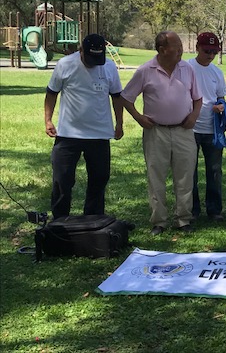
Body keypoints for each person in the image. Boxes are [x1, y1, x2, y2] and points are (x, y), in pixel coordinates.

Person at [121, 31, 202, 235]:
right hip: (156, 132)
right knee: (156, 177)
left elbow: (198, 98)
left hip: (183, 131)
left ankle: (183, 219)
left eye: (181, 45)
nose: (181, 50)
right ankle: (159, 221)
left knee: (185, 177)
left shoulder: (187, 69)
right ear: (162, 49)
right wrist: (139, 118)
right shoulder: (145, 71)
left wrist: (194, 116)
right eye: (177, 46)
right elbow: (126, 97)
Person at [44, 34, 124, 219]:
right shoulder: (65, 64)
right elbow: (51, 93)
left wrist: (119, 122)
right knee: (62, 180)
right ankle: (60, 220)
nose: (94, 63)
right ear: (81, 51)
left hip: (99, 134)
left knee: (99, 179)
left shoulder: (109, 66)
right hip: (68, 133)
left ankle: (93, 220)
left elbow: (117, 96)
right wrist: (48, 120)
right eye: (90, 58)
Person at [187, 32, 226, 222]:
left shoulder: (216, 72)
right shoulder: (187, 67)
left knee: (214, 170)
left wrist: (220, 105)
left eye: (214, 52)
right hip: (191, 127)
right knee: (190, 171)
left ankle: (214, 209)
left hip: (212, 128)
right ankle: (192, 210)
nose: (210, 55)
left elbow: (220, 96)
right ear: (197, 48)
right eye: (207, 51)